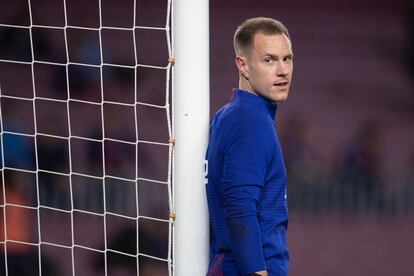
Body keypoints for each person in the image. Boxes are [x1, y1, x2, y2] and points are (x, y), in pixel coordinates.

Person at [205, 17, 293, 276]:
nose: (282, 70)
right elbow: (240, 209)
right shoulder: (250, 121)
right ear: (243, 65)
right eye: (269, 60)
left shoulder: (229, 115)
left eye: (287, 59)